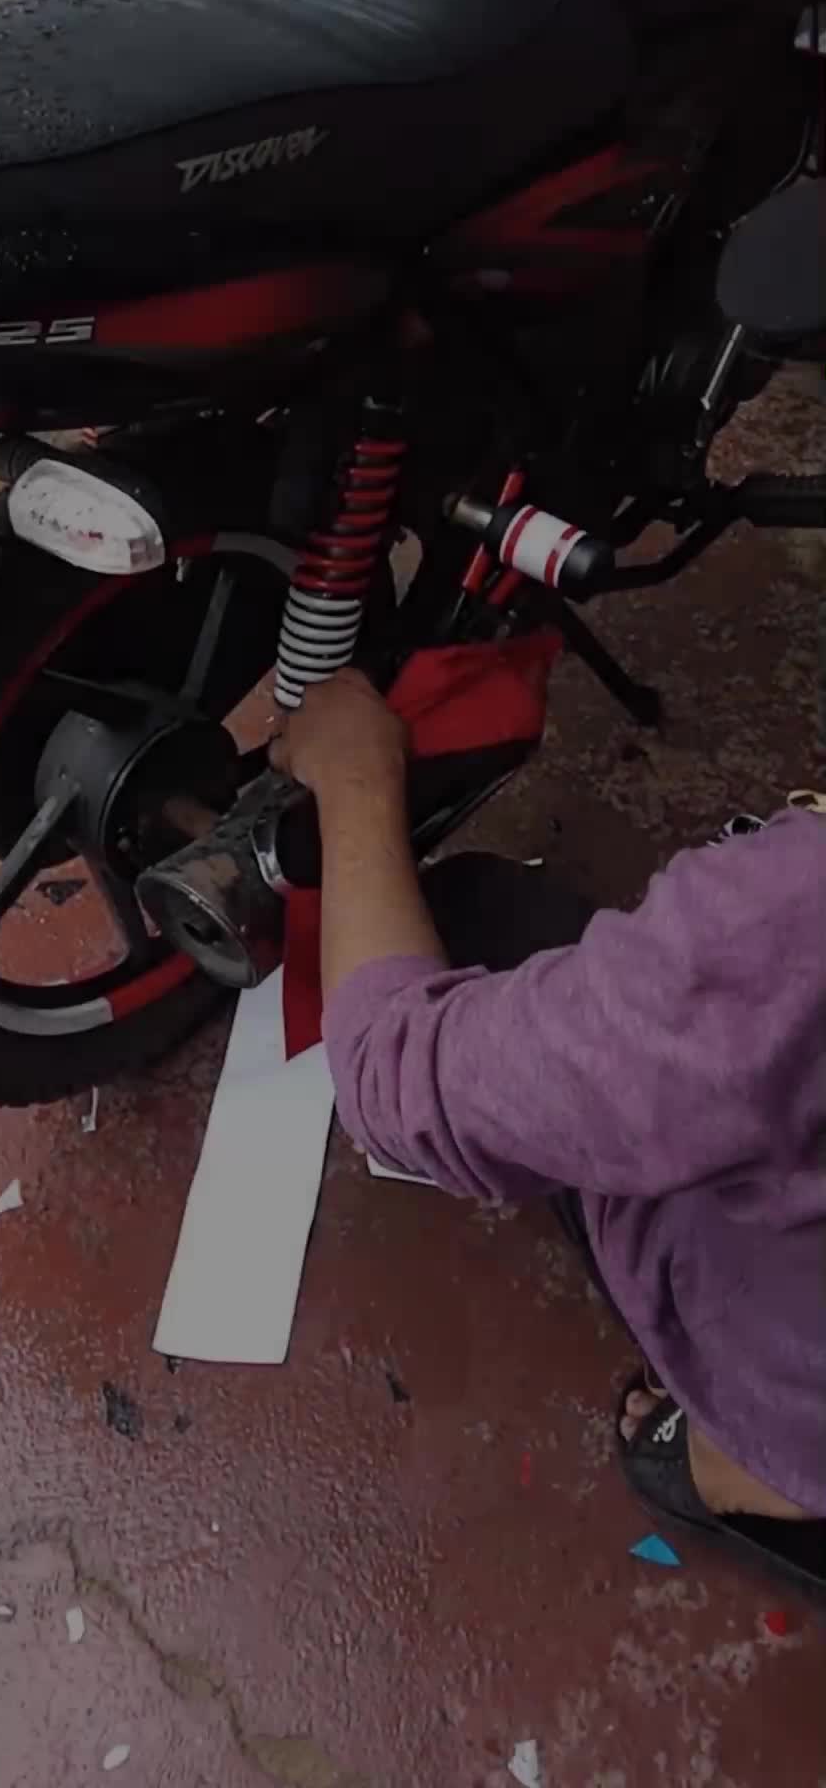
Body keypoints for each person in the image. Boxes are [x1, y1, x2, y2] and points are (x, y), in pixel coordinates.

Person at [271, 668, 826, 1593]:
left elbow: (393, 1080)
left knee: (472, 920)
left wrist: (354, 780)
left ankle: (766, 1461)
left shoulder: (785, 926)